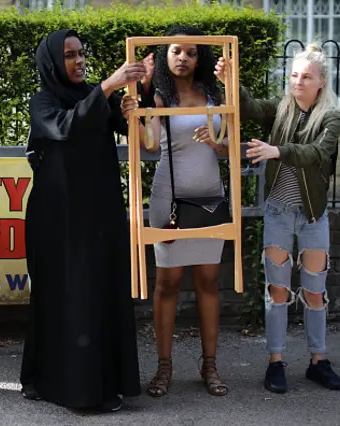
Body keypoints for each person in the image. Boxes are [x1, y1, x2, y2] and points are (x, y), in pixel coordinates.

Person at [19, 29, 144, 412]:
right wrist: (107, 87)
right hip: (57, 220)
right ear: (54, 61)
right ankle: (60, 384)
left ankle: (103, 384)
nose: (79, 61)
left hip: (98, 215)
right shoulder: (42, 101)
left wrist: (139, 94)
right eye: (70, 55)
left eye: (81, 54)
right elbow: (66, 126)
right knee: (65, 295)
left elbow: (131, 128)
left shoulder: (96, 94)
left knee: (97, 292)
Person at [215, 44, 340, 393]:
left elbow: (318, 153)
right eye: (293, 75)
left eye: (306, 77)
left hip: (313, 216)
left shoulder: (332, 117)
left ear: (321, 82)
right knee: (278, 291)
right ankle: (276, 362)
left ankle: (318, 361)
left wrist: (277, 151)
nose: (298, 82)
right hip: (278, 212)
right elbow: (249, 108)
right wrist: (232, 81)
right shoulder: (281, 108)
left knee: (315, 291)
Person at [121, 25, 229, 397]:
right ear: (166, 56)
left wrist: (218, 143)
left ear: (201, 58)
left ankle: (210, 367)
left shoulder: (215, 95)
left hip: (211, 200)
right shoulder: (160, 97)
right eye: (176, 51)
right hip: (169, 202)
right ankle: (163, 368)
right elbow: (149, 145)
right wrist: (134, 114)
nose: (183, 57)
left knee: (208, 282)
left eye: (191, 52)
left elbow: (229, 147)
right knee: (167, 283)